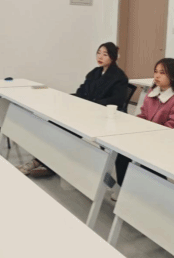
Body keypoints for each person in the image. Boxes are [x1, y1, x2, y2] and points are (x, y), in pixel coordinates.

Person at [18, 42, 128, 177]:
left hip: (102, 118)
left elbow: (116, 100)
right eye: (98, 53)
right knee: (55, 124)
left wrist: (90, 105)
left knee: (64, 129)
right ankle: (44, 161)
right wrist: (69, 100)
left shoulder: (119, 76)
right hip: (87, 113)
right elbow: (82, 90)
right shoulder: (95, 72)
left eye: (105, 54)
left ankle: (45, 162)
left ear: (113, 57)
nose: (100, 57)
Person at [115, 58, 174, 189]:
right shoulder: (152, 93)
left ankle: (145, 191)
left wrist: (148, 135)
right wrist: (134, 125)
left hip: (171, 145)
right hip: (152, 139)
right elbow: (143, 115)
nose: (157, 76)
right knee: (122, 152)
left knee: (147, 162)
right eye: (156, 71)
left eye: (162, 72)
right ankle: (126, 188)